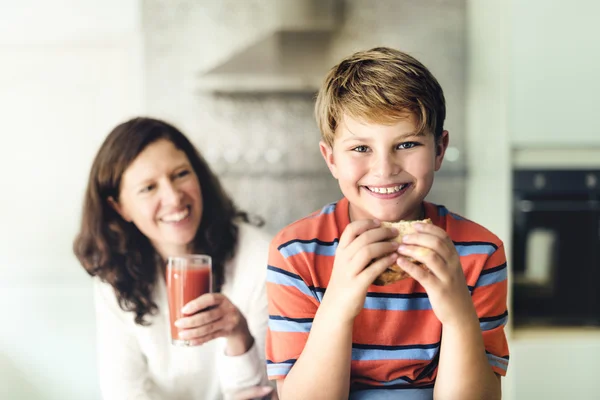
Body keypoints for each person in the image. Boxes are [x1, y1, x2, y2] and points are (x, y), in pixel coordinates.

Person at [265, 47, 509, 399]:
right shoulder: (295, 254)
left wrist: (458, 313)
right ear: (331, 158)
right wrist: (337, 306)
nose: (384, 169)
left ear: (439, 150)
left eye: (407, 143)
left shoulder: (479, 253)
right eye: (360, 149)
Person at [74, 117, 274, 400]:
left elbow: (261, 394)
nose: (173, 197)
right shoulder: (114, 274)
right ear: (119, 207)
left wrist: (238, 336)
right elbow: (124, 391)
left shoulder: (260, 259)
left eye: (180, 174)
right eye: (148, 188)